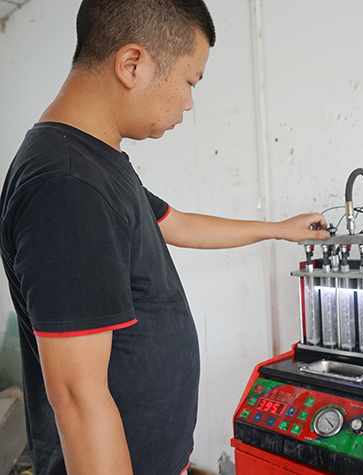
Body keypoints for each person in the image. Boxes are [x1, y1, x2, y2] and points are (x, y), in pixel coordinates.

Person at [0, 1, 329, 474]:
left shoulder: (96, 161)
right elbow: (78, 398)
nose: (189, 102)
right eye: (190, 81)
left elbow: (179, 225)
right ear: (132, 64)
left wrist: (279, 230)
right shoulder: (68, 186)